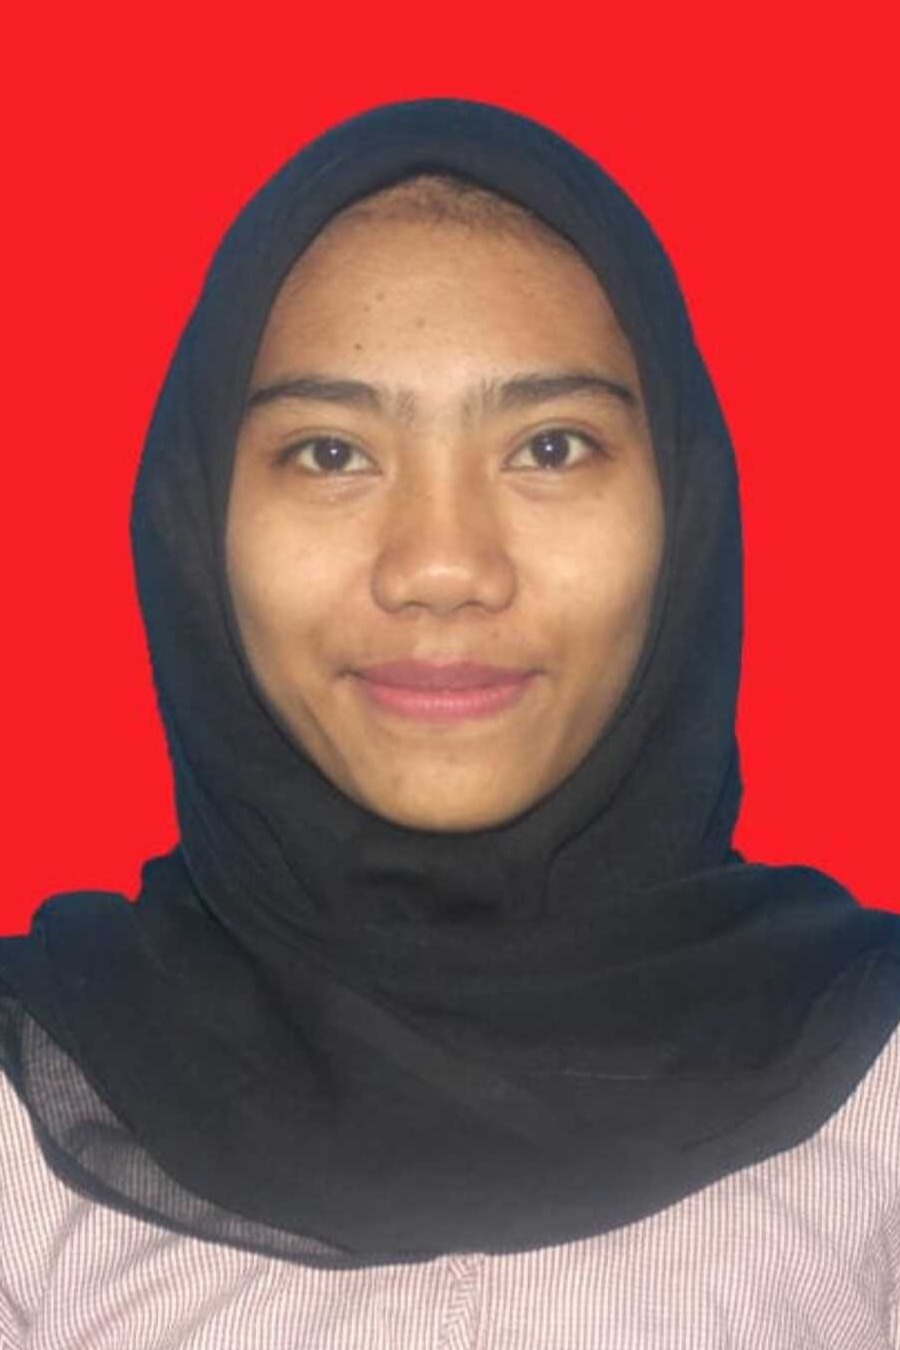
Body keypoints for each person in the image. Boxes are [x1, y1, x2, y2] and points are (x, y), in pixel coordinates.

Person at [1, 97, 899, 1349]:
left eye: (551, 447)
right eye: (330, 454)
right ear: (196, 524)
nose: (440, 565)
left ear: (685, 514)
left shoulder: (879, 1099)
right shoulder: (24, 1132)